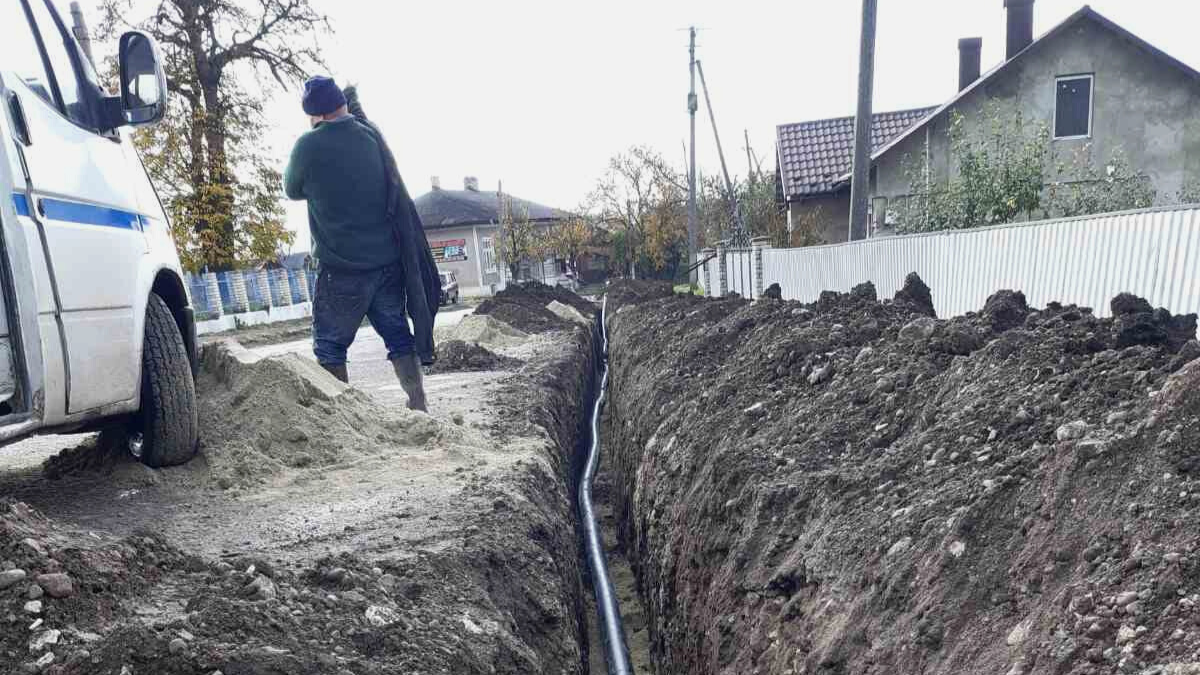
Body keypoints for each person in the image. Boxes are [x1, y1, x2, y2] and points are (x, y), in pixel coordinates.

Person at [284, 76, 436, 411]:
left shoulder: (308, 146)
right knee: (397, 334)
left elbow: (292, 189)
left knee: (329, 347)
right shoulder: (371, 138)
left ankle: (343, 415)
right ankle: (417, 401)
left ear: (314, 113)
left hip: (341, 271)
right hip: (387, 266)